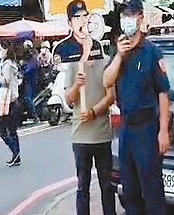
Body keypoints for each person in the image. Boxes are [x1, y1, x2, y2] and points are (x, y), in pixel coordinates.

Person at [102, 0, 171, 215]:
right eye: (124, 15)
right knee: (129, 189)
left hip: (147, 128)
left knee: (151, 189)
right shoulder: (119, 51)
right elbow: (107, 81)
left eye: (131, 14)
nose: (127, 19)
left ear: (140, 18)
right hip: (126, 128)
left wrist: (163, 132)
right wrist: (120, 56)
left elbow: (163, 92)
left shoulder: (151, 52)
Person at [65, 19, 116, 215]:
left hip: (102, 135)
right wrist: (77, 85)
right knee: (82, 187)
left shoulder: (106, 63)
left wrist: (93, 111)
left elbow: (111, 96)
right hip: (80, 137)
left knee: (106, 186)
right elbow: (69, 99)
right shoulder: (73, 64)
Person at [53, 0, 104, 64]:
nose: (82, 21)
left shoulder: (96, 45)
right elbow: (64, 73)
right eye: (77, 18)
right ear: (70, 23)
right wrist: (85, 54)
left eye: (85, 16)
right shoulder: (61, 49)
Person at [0, 45, 21, 167]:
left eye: (1, 49)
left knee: (1, 130)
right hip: (13, 100)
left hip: (8, 101)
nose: (0, 52)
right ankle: (17, 155)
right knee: (12, 131)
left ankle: (15, 152)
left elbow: (5, 80)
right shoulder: (12, 63)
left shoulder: (6, 65)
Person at [21, 40, 39, 123]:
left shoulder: (33, 56)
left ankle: (35, 116)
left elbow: (30, 68)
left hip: (31, 80)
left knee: (27, 98)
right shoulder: (26, 56)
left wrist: (23, 72)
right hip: (26, 79)